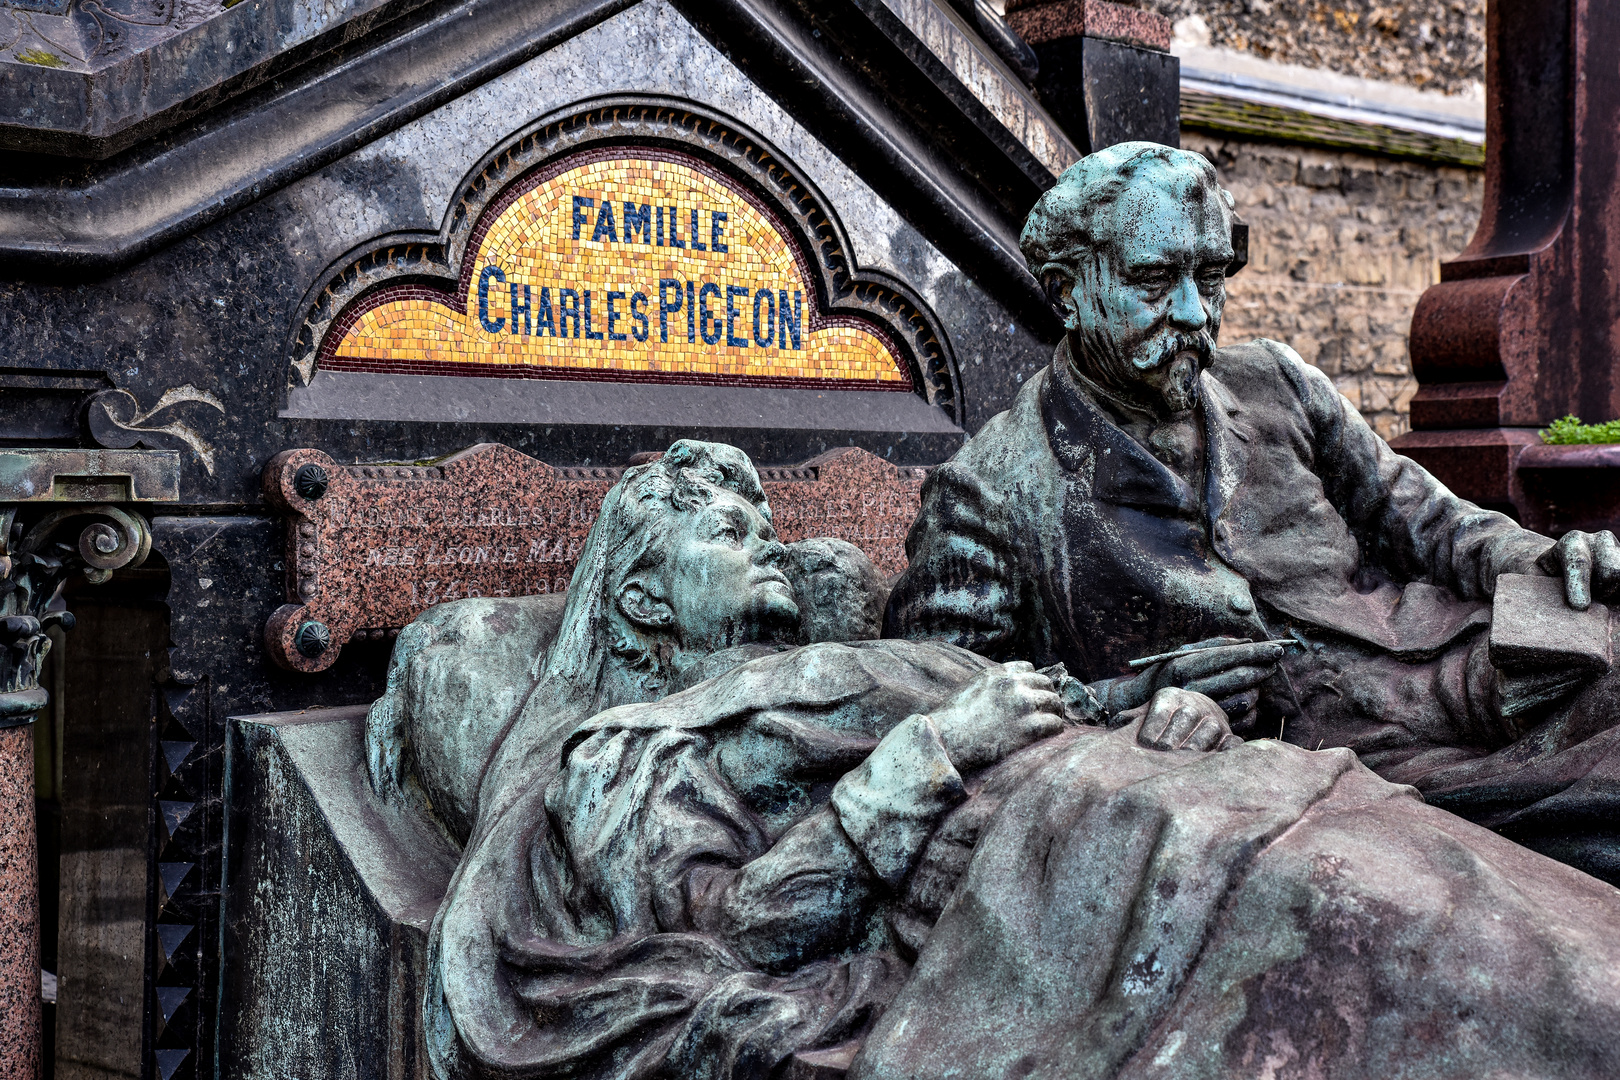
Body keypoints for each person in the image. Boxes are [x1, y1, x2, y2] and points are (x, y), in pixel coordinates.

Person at [422, 440, 1620, 1080]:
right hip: (1068, 868)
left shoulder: (846, 661)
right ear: (638, 593)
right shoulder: (627, 758)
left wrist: (1154, 713)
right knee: (1432, 962)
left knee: (1491, 920)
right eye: (730, 536)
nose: (773, 550)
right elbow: (735, 932)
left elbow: (1037, 702)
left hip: (1164, 791)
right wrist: (937, 752)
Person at [886, 141, 1620, 883]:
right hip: (1313, 771)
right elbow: (942, 705)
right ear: (1064, 291)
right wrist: (1128, 703)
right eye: (1152, 280)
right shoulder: (990, 486)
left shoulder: (1276, 381)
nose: (1194, 313)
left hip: (1456, 664)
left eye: (1210, 279)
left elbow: (1432, 523)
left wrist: (1535, 555)